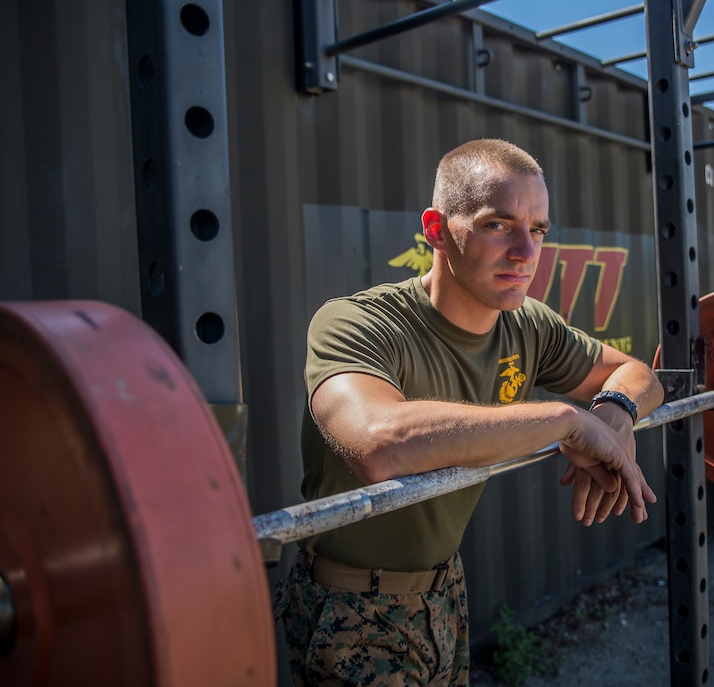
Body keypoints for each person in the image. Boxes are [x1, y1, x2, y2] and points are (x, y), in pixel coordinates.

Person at [276, 138, 664, 686]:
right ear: (436, 229)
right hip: (349, 608)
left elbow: (640, 376)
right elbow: (378, 444)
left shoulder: (528, 324)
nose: (527, 254)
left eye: (539, 230)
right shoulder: (355, 323)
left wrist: (614, 418)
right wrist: (565, 420)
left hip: (445, 591)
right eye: (498, 225)